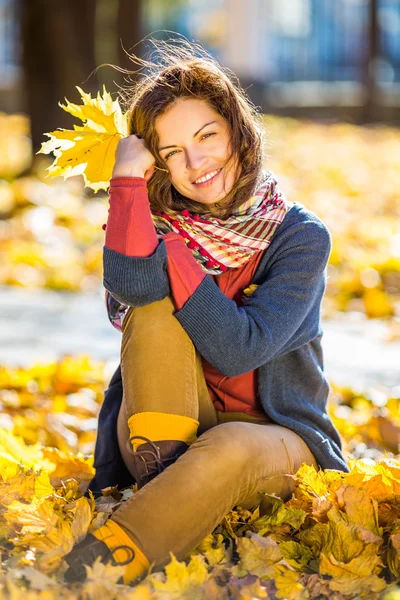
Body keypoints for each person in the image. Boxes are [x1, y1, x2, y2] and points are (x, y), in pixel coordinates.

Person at [64, 38, 349, 586]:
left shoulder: (299, 237)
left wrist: (172, 253)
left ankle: (83, 579)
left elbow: (239, 347)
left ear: (237, 129)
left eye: (206, 137)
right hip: (160, 427)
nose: (195, 165)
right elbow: (131, 286)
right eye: (171, 153)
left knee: (229, 446)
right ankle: (183, 503)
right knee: (150, 307)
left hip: (274, 442)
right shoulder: (151, 220)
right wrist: (126, 183)